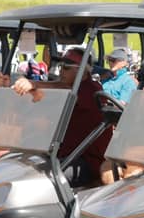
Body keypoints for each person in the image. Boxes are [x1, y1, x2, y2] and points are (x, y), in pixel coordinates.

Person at [11, 47, 113, 178]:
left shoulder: (91, 89)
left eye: (66, 67)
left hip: (86, 160)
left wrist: (34, 84)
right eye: (60, 66)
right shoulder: (69, 89)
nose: (61, 71)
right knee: (20, 167)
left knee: (45, 179)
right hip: (63, 154)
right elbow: (55, 91)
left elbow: (65, 89)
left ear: (82, 71)